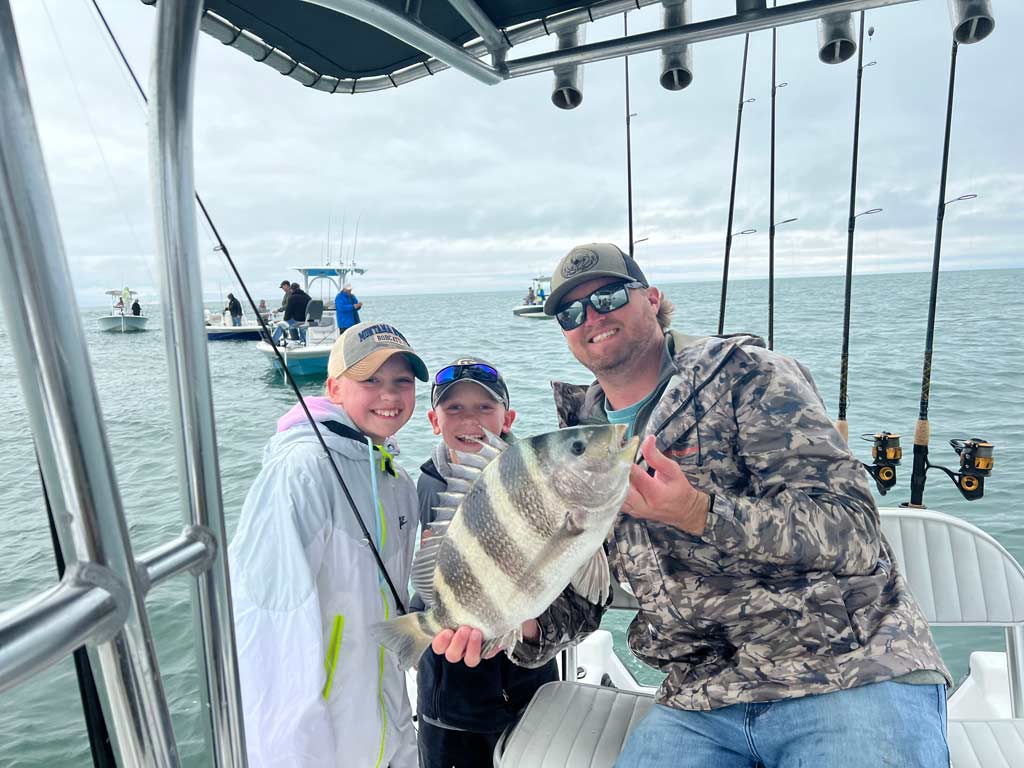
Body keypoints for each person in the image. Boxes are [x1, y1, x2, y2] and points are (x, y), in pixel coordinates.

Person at [436, 243, 951, 767]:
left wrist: (699, 512)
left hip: (848, 667)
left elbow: (853, 532)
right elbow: (583, 597)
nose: (592, 316)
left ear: (652, 299)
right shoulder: (581, 444)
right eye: (571, 312)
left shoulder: (752, 376)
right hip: (700, 696)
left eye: (609, 296)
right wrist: (519, 624)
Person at [229, 321, 429, 768]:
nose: (390, 395)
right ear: (334, 388)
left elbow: (387, 621)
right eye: (371, 380)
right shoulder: (300, 469)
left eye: (402, 381)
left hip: (387, 734)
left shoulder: (398, 483)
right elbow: (268, 629)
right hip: (321, 749)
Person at [414, 357, 558, 768]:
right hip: (446, 700)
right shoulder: (426, 484)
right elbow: (426, 578)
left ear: (508, 417)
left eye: (484, 408)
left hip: (526, 692)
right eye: (454, 408)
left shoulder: (536, 480)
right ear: (433, 420)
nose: (469, 420)